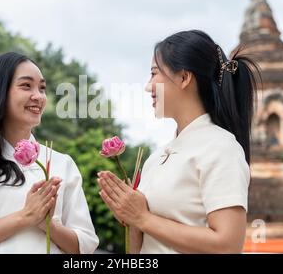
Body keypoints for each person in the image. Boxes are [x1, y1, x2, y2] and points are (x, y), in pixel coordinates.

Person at [98, 30, 260, 253]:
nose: (148, 86)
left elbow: (227, 244)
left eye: (154, 74)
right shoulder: (154, 160)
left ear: (184, 77)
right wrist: (131, 220)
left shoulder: (221, 148)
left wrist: (143, 218)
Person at [0, 52, 99, 254]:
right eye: (26, 86)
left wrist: (49, 226)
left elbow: (86, 245)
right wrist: (25, 216)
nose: (38, 96)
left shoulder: (62, 164)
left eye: (42, 88)